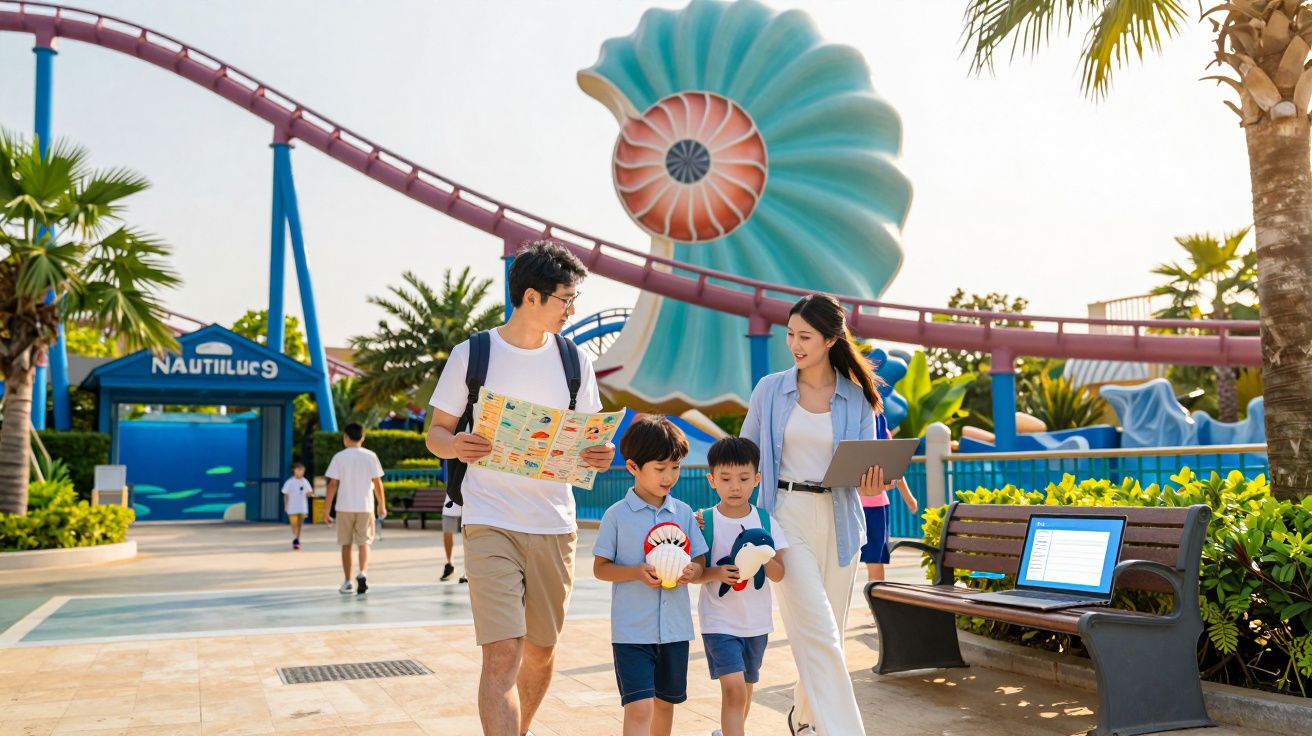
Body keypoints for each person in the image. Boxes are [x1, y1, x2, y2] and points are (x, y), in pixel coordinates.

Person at [426, 239, 615, 736]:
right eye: (566, 299)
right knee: (501, 652)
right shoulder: (474, 354)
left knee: (541, 651)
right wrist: (456, 444)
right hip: (489, 520)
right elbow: (435, 434)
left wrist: (600, 453)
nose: (572, 310)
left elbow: (590, 439)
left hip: (554, 523)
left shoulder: (575, 361)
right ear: (531, 297)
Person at [740, 293, 897, 736]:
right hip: (785, 515)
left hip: (840, 519)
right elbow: (744, 454)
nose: (795, 344)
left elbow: (863, 467)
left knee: (830, 636)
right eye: (790, 334)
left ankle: (803, 718)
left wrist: (871, 482)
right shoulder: (770, 390)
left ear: (830, 339)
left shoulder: (858, 398)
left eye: (805, 336)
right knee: (820, 633)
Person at [593, 416, 707, 736]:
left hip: (675, 631)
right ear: (632, 467)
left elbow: (699, 558)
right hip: (632, 634)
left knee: (665, 704)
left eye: (676, 467)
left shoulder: (683, 513)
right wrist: (635, 572)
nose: (669, 476)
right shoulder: (616, 516)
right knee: (640, 706)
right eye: (660, 468)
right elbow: (600, 568)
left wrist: (693, 571)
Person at [695, 436, 786, 736]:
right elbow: (695, 574)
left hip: (756, 623)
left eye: (744, 478)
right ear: (711, 480)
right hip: (719, 621)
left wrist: (763, 556)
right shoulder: (704, 522)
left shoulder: (765, 521)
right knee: (734, 691)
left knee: (745, 690)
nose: (735, 486)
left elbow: (779, 574)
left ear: (757, 479)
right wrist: (717, 573)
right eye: (725, 479)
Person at [321, 422, 387, 595]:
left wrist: (326, 510)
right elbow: (377, 482)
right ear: (362, 437)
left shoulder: (339, 457)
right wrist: (381, 504)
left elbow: (332, 484)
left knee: (346, 544)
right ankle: (363, 573)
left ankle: (348, 581)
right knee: (364, 543)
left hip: (344, 506)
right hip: (365, 506)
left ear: (345, 438)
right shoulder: (371, 456)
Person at [861, 418, 918, 582]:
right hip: (850, 505)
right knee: (845, 560)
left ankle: (875, 597)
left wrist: (908, 498)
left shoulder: (882, 429)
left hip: (877, 507)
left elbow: (894, 467)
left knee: (875, 559)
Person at [281, 461, 313, 550]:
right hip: (292, 507)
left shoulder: (305, 481)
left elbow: (309, 492)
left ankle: (297, 539)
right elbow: (285, 494)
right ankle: (295, 537)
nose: (301, 472)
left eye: (302, 470)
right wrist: (286, 505)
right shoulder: (289, 482)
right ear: (294, 470)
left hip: (302, 507)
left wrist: (310, 493)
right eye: (299, 470)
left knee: (300, 524)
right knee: (294, 523)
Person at [442, 495, 467, 583]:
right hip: (450, 506)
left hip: (468, 507)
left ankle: (467, 570)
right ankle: (450, 564)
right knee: (447, 534)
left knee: (468, 536)